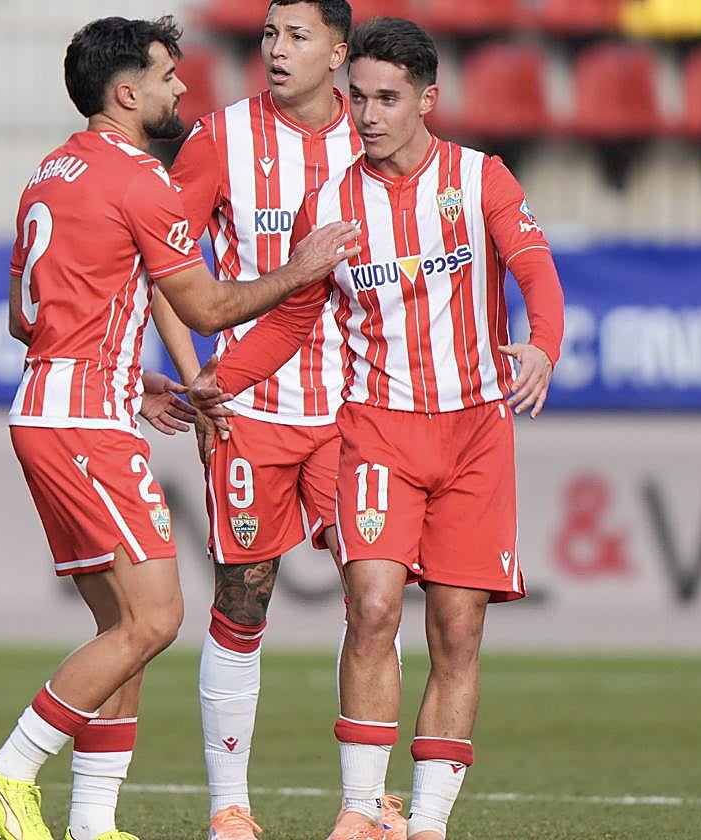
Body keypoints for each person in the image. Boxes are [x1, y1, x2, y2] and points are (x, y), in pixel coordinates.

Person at [0, 15, 360, 840]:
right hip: (84, 425)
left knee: (122, 631)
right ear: (126, 91)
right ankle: (11, 767)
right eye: (167, 75)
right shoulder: (140, 179)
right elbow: (207, 307)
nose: (183, 87)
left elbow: (23, 318)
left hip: (54, 404)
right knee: (155, 620)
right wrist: (301, 269)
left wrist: (130, 375)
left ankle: (93, 821)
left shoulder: (51, 171)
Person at [194, 17, 565, 840]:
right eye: (358, 97)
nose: (367, 115)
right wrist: (221, 381)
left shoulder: (479, 178)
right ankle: (361, 811)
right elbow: (294, 321)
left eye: (387, 99)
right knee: (370, 605)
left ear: (427, 99)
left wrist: (542, 344)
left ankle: (426, 821)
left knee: (459, 629)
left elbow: (536, 269)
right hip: (377, 435)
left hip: (475, 435)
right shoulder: (330, 204)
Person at [150, 3, 402, 838]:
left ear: (338, 51)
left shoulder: (374, 136)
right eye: (268, 35)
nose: (277, 50)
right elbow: (166, 267)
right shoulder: (220, 138)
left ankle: (366, 803)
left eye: (297, 36)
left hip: (359, 411)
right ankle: (229, 807)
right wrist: (199, 383)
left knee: (374, 599)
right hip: (251, 410)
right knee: (243, 603)